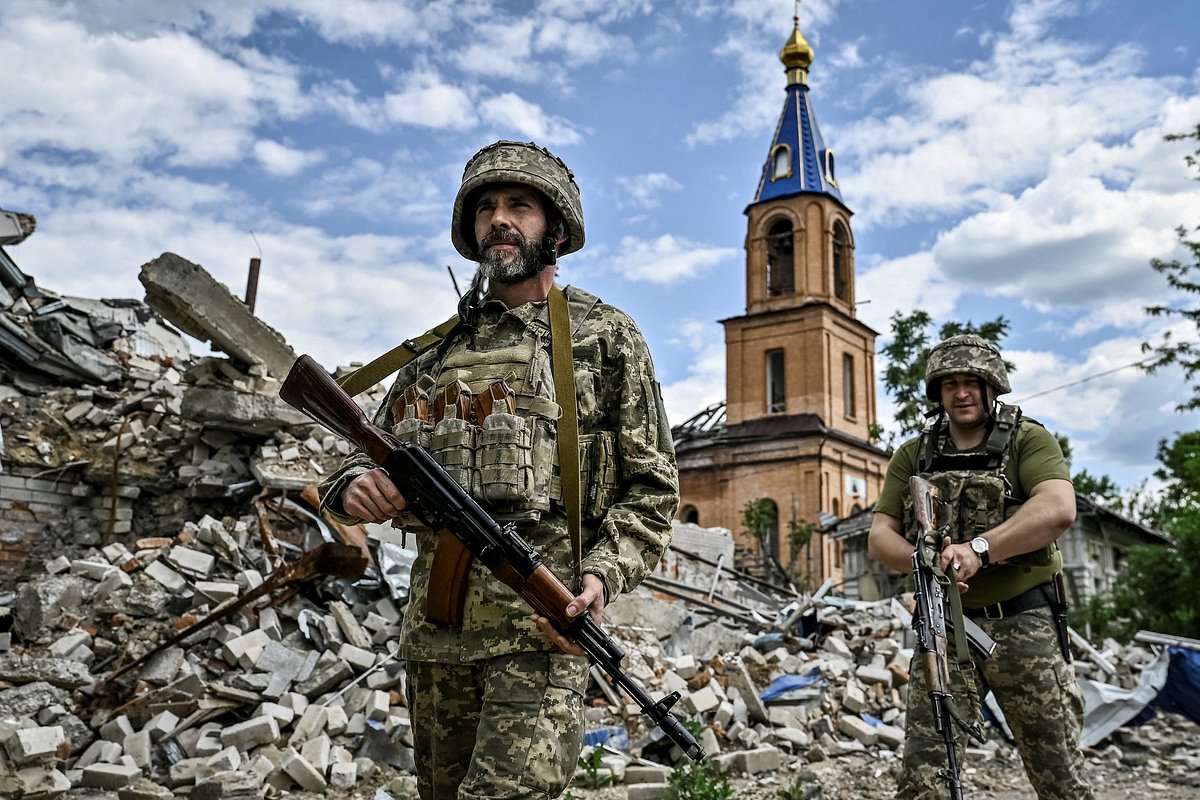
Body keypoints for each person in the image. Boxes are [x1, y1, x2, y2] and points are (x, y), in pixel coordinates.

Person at [318, 140, 679, 800]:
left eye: (519, 205)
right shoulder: (438, 350)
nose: (499, 219)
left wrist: (601, 575)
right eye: (486, 207)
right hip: (436, 641)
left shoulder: (605, 338)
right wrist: (352, 486)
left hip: (541, 633)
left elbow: (651, 491)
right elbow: (356, 447)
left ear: (558, 228)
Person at [867, 334, 1093, 800]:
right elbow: (879, 535)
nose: (961, 392)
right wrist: (923, 561)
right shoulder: (914, 455)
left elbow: (1057, 508)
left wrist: (979, 549)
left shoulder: (1028, 440)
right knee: (925, 779)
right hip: (945, 628)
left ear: (993, 386)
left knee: (1059, 776)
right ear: (938, 393)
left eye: (972, 381)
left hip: (1025, 625)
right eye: (950, 384)